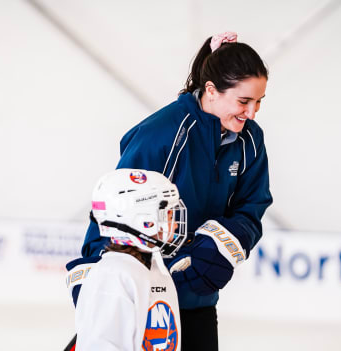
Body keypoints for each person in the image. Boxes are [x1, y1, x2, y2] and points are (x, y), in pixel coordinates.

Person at [72, 31, 272, 350]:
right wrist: (97, 280)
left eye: (259, 101)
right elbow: (113, 209)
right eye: (244, 101)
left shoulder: (250, 140)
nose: (252, 112)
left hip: (197, 300)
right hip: (144, 298)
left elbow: (253, 206)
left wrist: (223, 243)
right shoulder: (160, 135)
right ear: (211, 90)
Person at [69, 169, 188, 351]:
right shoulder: (113, 276)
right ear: (144, 220)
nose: (176, 224)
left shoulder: (155, 268)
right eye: (169, 215)